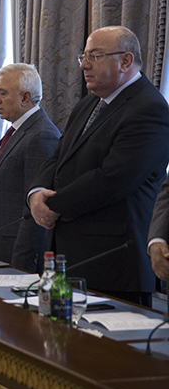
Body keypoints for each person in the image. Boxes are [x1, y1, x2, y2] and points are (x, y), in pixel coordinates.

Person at [30, 26, 169, 307]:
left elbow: (113, 179)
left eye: (94, 56)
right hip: (71, 255)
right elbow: (59, 156)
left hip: (114, 263)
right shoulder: (89, 104)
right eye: (83, 56)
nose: (84, 65)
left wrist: (53, 204)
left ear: (126, 61)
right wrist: (37, 192)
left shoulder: (149, 108)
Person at [0, 64, 60, 271]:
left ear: (25, 97)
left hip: (17, 255)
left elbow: (34, 210)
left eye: (2, 93)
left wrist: (21, 265)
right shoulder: (17, 131)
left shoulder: (42, 136)